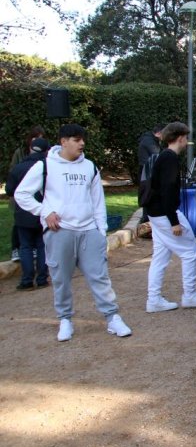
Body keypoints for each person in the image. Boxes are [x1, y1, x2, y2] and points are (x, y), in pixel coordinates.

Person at [14, 124, 132, 341]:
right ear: (63, 141)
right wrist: (45, 211)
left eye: (82, 139)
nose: (82, 143)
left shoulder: (90, 167)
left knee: (100, 277)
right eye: (76, 139)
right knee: (61, 278)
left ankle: (112, 317)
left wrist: (100, 230)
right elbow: (22, 194)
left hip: (89, 232)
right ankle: (65, 320)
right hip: (60, 231)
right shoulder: (45, 166)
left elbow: (98, 202)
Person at [144, 122, 196, 313]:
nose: (186, 141)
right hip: (166, 214)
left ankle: (153, 299)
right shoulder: (170, 159)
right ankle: (190, 294)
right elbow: (168, 191)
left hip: (156, 213)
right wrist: (174, 221)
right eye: (186, 137)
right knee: (189, 252)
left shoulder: (163, 157)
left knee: (160, 256)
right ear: (180, 137)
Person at [6, 137, 51, 291]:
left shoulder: (18, 167)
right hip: (43, 211)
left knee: (25, 246)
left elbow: (9, 190)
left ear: (31, 148)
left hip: (23, 212)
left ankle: (26, 280)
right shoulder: (48, 167)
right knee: (42, 245)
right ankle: (42, 278)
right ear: (47, 151)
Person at [8, 125, 45, 262]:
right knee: (20, 224)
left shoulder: (44, 158)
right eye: (35, 138)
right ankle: (16, 249)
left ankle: (34, 251)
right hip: (22, 192)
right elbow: (13, 171)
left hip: (37, 194)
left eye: (40, 138)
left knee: (36, 224)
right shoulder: (20, 153)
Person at [136, 124, 164, 232]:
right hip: (147, 173)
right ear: (159, 133)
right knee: (148, 196)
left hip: (148, 172)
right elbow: (157, 155)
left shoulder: (150, 140)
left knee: (149, 196)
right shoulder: (149, 141)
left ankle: (148, 222)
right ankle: (146, 223)